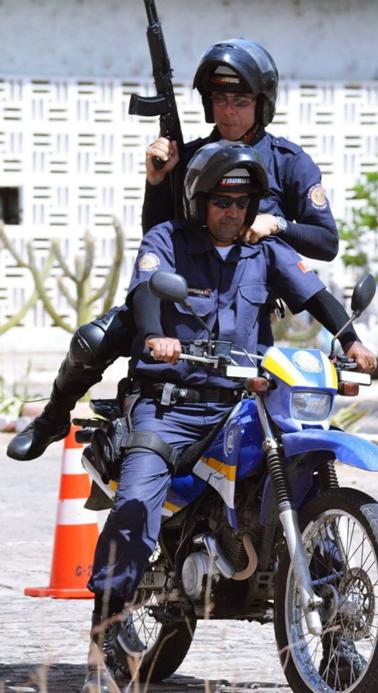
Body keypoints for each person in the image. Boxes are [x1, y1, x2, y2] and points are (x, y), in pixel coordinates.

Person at [81, 142, 374, 692]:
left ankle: (337, 640)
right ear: (200, 200)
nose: (232, 212)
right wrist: (155, 337)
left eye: (242, 203)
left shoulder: (263, 251)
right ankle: (109, 624)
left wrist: (352, 340)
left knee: (306, 477)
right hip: (169, 405)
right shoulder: (166, 240)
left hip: (240, 403)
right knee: (137, 496)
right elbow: (146, 291)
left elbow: (314, 293)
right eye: (222, 201)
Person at [7, 38, 342, 462]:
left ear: (262, 103)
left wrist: (274, 223)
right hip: (182, 293)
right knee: (93, 339)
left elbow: (326, 241)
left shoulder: (289, 161)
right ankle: (54, 417)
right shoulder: (190, 157)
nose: (229, 111)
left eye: (240, 100)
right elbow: (158, 235)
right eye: (220, 99)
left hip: (245, 296)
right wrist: (156, 180)